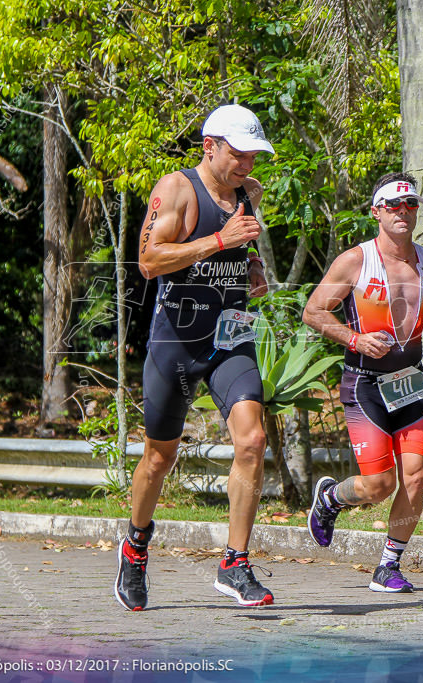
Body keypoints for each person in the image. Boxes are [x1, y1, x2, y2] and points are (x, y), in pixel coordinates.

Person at [115, 104, 275, 610]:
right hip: (177, 344)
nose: (247, 165)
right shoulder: (178, 189)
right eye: (238, 154)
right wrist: (218, 240)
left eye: (254, 156)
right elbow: (147, 261)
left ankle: (235, 563)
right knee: (159, 458)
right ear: (210, 146)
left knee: (252, 439)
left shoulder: (250, 194)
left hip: (231, 336)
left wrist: (248, 265)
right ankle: (136, 546)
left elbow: (240, 247)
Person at [302, 172, 423, 592]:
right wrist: (355, 337)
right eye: (393, 205)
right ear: (377, 211)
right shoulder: (356, 261)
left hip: (411, 383)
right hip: (365, 384)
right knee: (380, 486)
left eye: (411, 204)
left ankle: (389, 565)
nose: (403, 211)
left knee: (415, 477)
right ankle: (331, 498)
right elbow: (313, 312)